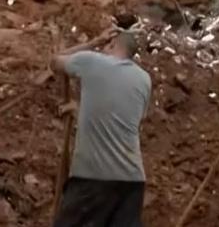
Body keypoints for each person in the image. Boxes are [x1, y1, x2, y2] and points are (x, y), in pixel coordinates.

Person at [51, 29, 151, 227]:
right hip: (132, 183)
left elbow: (55, 61)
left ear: (112, 45)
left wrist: (95, 41)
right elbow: (119, 122)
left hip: (93, 179)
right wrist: (79, 112)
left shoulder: (92, 61)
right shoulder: (144, 79)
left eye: (106, 45)